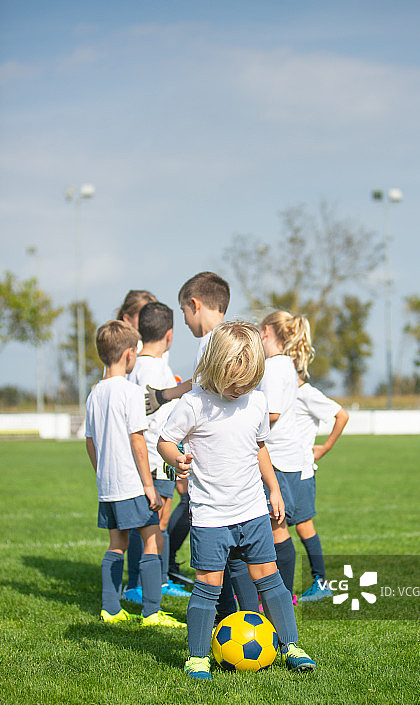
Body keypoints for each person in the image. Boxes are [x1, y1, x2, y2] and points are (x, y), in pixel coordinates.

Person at [157, 321, 316, 680]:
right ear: (214, 367)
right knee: (208, 585)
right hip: (211, 515)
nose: (240, 389)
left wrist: (273, 489)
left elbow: (259, 448)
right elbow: (165, 440)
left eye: (247, 382)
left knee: (270, 578)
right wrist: (176, 458)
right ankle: (198, 656)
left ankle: (290, 645)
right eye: (234, 382)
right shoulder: (194, 404)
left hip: (253, 511)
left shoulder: (256, 402)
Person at [149, 271, 259, 617]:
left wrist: (163, 395)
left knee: (222, 550)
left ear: (195, 304)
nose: (184, 321)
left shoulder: (212, 343)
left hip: (213, 462)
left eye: (183, 312)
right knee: (235, 556)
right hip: (232, 464)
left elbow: (197, 388)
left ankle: (231, 614)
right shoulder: (237, 339)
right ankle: (238, 617)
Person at [85, 319, 186, 629]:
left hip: (109, 486)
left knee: (117, 544)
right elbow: (137, 440)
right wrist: (149, 486)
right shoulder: (129, 392)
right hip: (133, 484)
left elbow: (90, 442)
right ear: (130, 354)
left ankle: (111, 608)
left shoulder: (94, 394)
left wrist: (101, 473)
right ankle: (152, 611)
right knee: (153, 538)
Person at [122, 301, 191, 603]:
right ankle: (145, 584)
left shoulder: (136, 365)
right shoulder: (156, 369)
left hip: (147, 456)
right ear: (170, 335)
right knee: (153, 523)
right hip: (154, 456)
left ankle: (150, 581)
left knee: (150, 523)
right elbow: (158, 414)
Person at [258, 310, 309, 598]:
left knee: (276, 530)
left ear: (266, 331)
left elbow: (272, 413)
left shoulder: (275, 367)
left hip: (277, 459)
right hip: (286, 457)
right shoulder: (285, 365)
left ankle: (281, 596)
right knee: (277, 528)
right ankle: (280, 595)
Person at [294, 353, 349, 601]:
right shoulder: (278, 393)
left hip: (301, 472)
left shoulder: (307, 393)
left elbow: (342, 415)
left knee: (303, 526)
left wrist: (325, 447)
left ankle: (321, 582)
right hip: (280, 471)